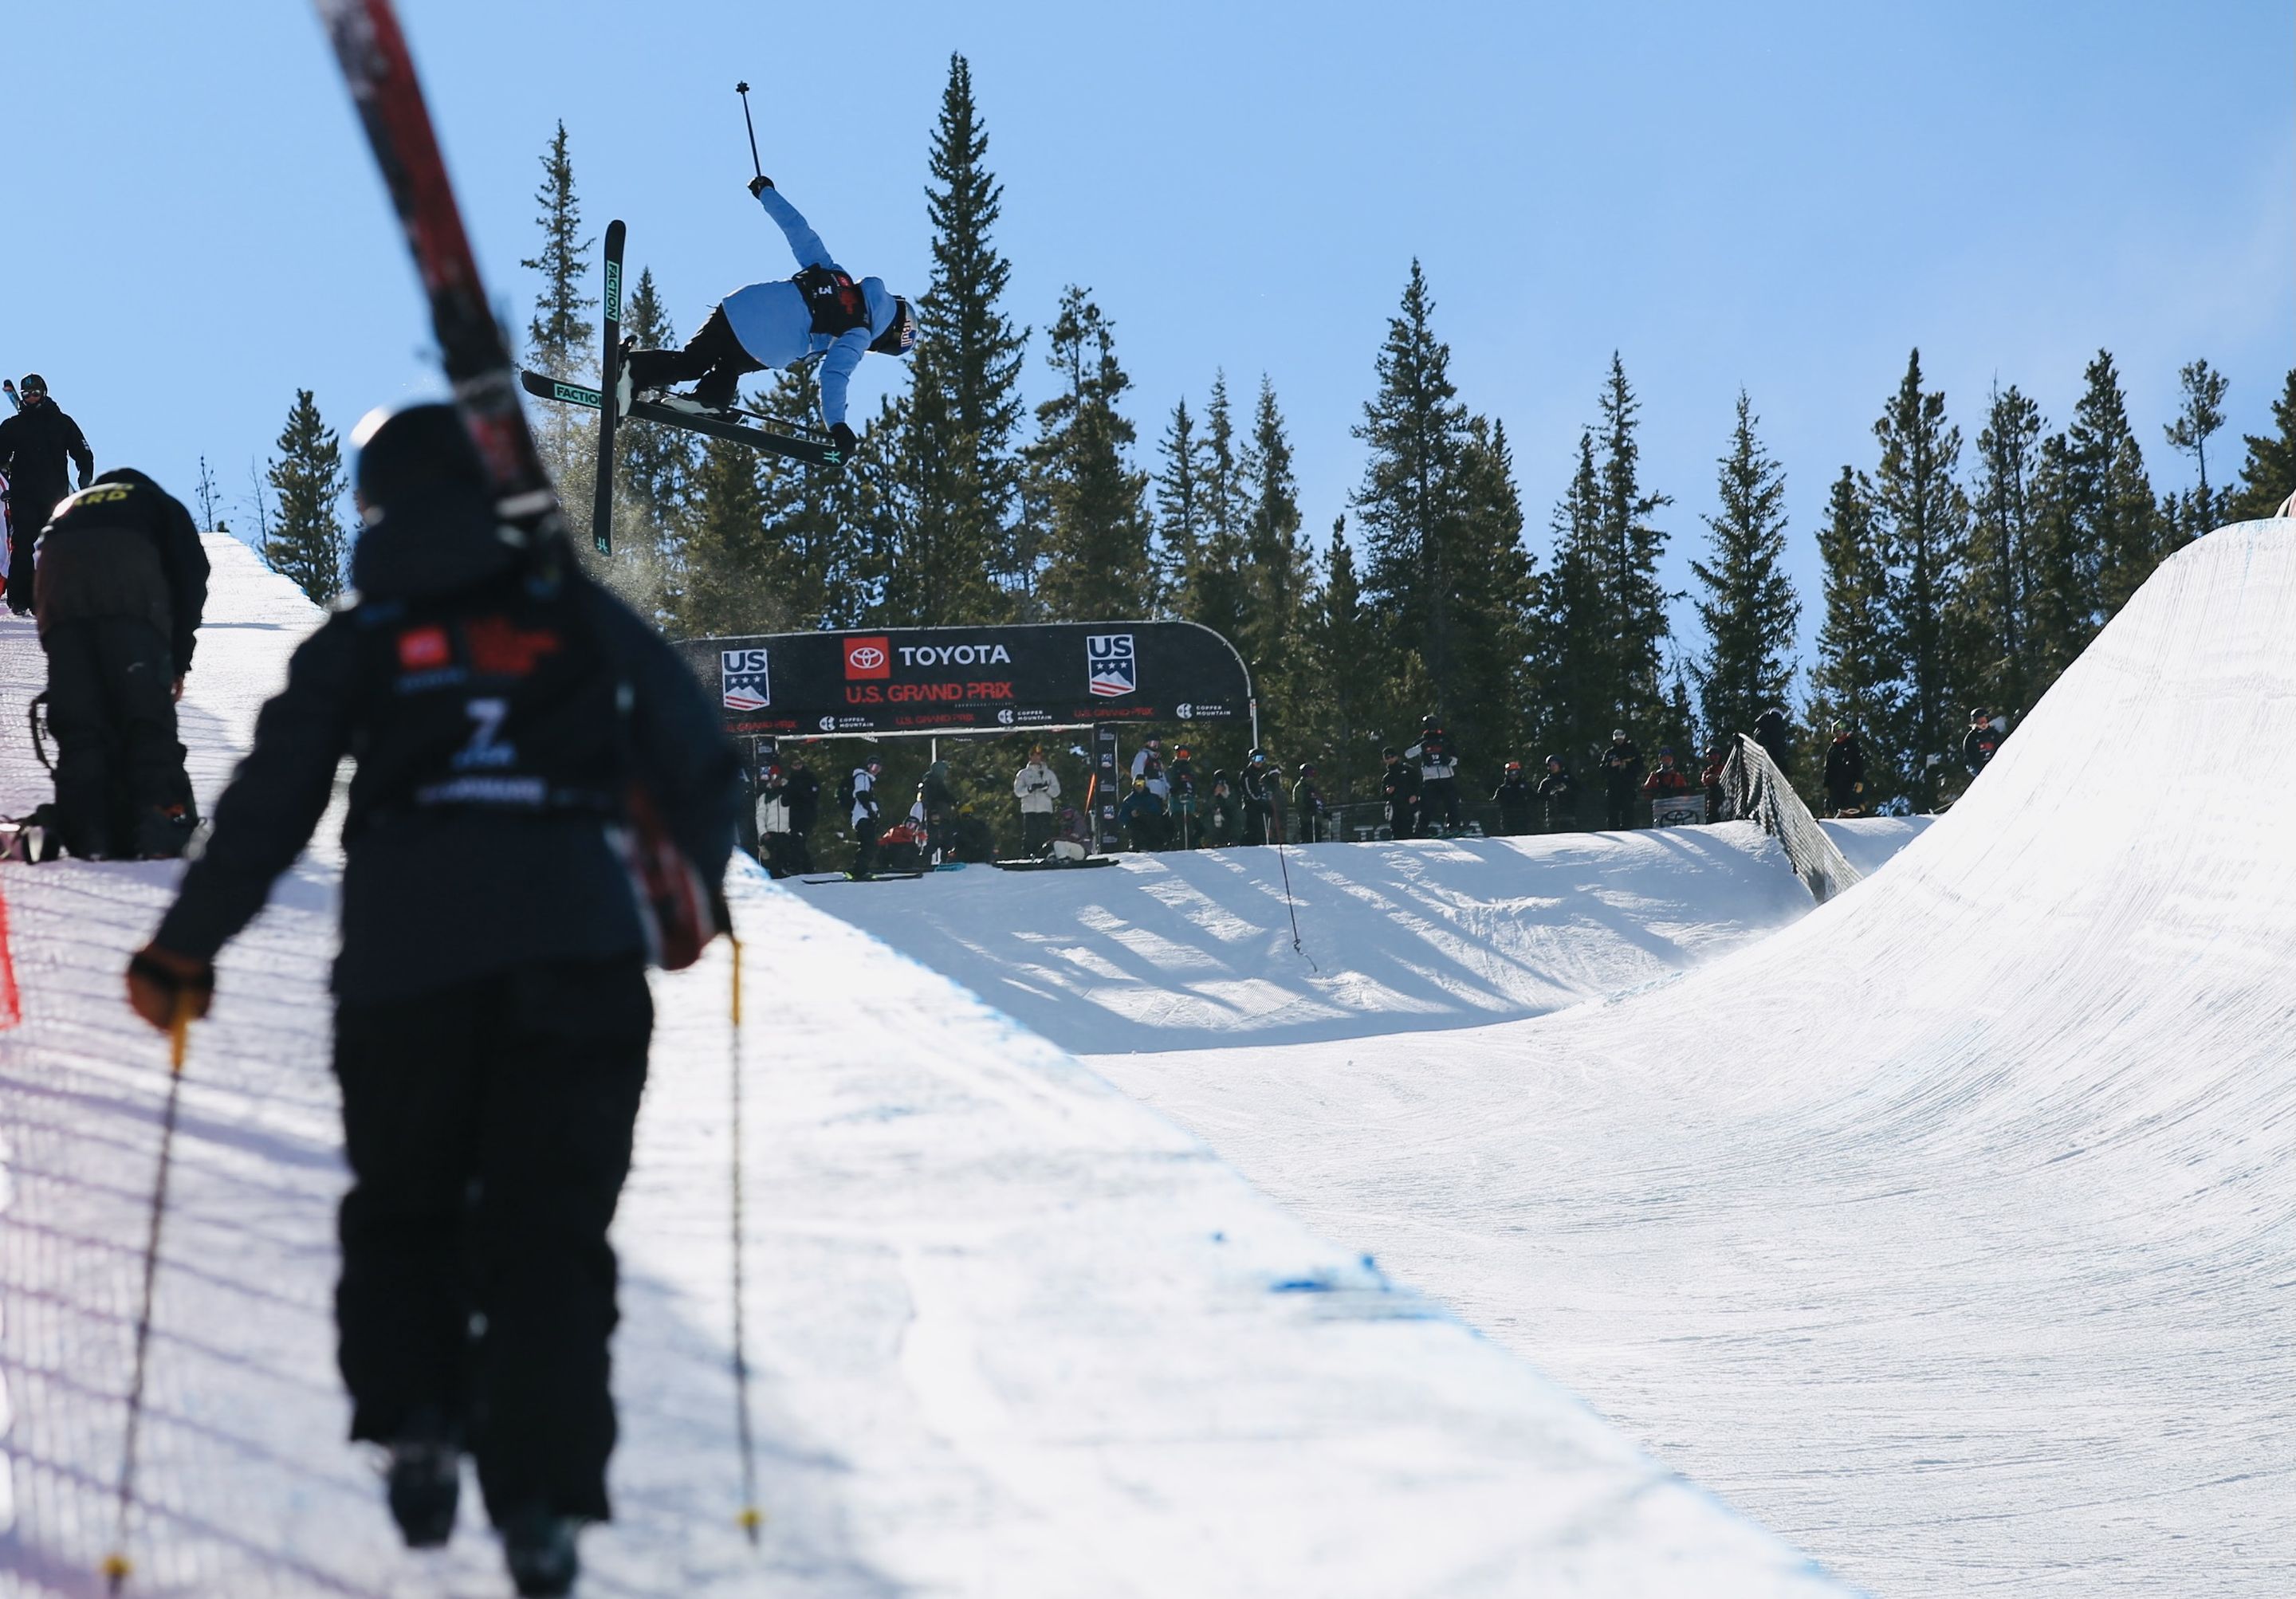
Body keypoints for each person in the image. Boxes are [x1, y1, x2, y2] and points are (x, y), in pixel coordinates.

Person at [119, 403, 737, 1598]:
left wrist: (185, 949)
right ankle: (544, 1505)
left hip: (409, 970)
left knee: (407, 1207)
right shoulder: (579, 615)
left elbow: (275, 793)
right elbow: (699, 747)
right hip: (577, 960)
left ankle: (419, 1425)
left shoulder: (372, 631)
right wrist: (690, 897)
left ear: (379, 506)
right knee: (550, 1231)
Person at [619, 179, 916, 454]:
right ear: (884, 336)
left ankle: (660, 381)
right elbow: (834, 375)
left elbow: (799, 231)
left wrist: (766, 193)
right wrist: (837, 425)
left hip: (740, 307)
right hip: (764, 348)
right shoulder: (858, 332)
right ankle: (676, 389)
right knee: (729, 366)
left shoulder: (838, 277)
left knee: (693, 361)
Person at [34, 468, 209, 858]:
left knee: (81, 723)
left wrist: (62, 650)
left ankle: (87, 830)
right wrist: (177, 661)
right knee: (145, 717)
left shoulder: (71, 507)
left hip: (59, 596)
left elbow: (40, 564)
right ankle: (162, 822)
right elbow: (192, 574)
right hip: (128, 596)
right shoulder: (158, 503)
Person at [0, 375, 96, 614]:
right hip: (23, 495)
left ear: (44, 392)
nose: (31, 398)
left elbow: (83, 453)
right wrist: (5, 474)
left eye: (35, 393)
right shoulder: (13, 426)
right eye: (26, 394)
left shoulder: (62, 423)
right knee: (23, 544)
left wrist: (85, 477)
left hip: (55, 496)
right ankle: (20, 599)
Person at [1405, 714, 1461, 835]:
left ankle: (1454, 827)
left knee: (1452, 804)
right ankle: (1421, 830)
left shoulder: (1445, 739)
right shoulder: (1422, 741)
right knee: (1426, 806)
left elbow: (1456, 759)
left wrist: (1448, 760)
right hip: (1430, 778)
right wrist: (1421, 747)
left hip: (1446, 777)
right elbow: (1408, 754)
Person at [1012, 745, 1061, 856]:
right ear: (1029, 757)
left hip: (1045, 809)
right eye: (1033, 755)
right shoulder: (1023, 774)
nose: (1036, 757)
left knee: (1044, 834)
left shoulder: (1049, 773)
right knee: (1030, 834)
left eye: (1038, 754)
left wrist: (1046, 788)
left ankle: (1045, 855)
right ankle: (1027, 856)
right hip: (1029, 809)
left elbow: (1056, 791)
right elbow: (1018, 791)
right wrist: (1029, 789)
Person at [755, 760, 800, 878]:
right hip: (771, 833)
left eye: (778, 777)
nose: (776, 780)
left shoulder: (787, 792)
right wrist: (763, 832)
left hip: (785, 833)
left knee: (788, 858)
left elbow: (795, 812)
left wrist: (793, 829)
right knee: (771, 860)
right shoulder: (765, 796)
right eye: (773, 777)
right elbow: (760, 816)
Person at [780, 749, 820, 874]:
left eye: (799, 764)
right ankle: (801, 867)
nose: (797, 766)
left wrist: (799, 792)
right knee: (795, 840)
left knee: (799, 839)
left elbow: (814, 794)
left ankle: (804, 867)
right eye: (794, 764)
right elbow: (785, 801)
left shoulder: (809, 777)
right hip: (795, 815)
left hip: (807, 814)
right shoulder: (790, 780)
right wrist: (788, 791)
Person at [847, 756, 884, 876]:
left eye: (878, 768)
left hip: (865, 817)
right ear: (867, 766)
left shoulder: (869, 780)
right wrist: (870, 812)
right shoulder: (862, 776)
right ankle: (859, 870)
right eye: (873, 767)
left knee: (870, 844)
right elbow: (861, 794)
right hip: (863, 817)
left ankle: (861, 869)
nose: (875, 770)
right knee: (868, 844)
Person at [918, 756, 957, 864]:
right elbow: (929, 799)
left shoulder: (939, 783)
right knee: (934, 841)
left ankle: (945, 861)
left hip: (944, 815)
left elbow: (945, 796)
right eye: (944, 770)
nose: (945, 773)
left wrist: (953, 801)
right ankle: (923, 863)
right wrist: (934, 812)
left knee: (947, 841)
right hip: (936, 816)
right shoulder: (930, 782)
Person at [1823, 721, 1866, 817]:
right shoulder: (1832, 749)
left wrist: (1859, 780)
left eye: (1840, 731)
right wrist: (1826, 784)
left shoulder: (1851, 744)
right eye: (1836, 732)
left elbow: (1858, 762)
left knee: (1851, 802)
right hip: (1835, 784)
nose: (1838, 733)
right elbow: (1828, 768)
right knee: (1837, 804)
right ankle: (1839, 816)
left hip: (1850, 780)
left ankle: (1852, 817)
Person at [1600, 730, 1642, 828]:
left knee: (1628, 812)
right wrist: (1611, 765)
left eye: (1621, 739)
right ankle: (1613, 831)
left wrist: (1628, 765)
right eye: (1617, 739)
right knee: (1612, 814)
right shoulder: (1609, 753)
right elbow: (1602, 769)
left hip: (1628, 786)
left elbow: (1640, 767)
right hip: (1613, 787)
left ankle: (1628, 832)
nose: (1619, 741)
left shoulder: (1632, 751)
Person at [1116, 774, 1168, 851]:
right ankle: (1137, 845)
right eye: (1137, 783)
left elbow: (1157, 811)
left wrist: (1144, 812)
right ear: (1133, 785)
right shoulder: (1129, 800)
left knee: (1155, 822)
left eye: (1141, 783)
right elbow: (1122, 817)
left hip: (1150, 826)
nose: (1139, 786)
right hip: (1136, 827)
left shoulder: (1152, 798)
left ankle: (1155, 844)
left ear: (1145, 784)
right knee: (1134, 826)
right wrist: (1131, 815)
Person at [1239, 748, 1280, 845]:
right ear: (1251, 759)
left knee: (1261, 832)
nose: (1259, 762)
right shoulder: (1247, 774)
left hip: (1260, 808)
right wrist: (1260, 802)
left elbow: (1265, 789)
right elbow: (1249, 792)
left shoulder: (1261, 774)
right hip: (1251, 808)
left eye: (1262, 759)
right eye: (1256, 759)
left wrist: (1267, 803)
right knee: (1252, 832)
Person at [1379, 747, 1420, 839]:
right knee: (1397, 833)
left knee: (1410, 831)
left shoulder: (1408, 770)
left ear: (1396, 757)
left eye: (1392, 756)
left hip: (1409, 806)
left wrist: (1415, 795)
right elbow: (1383, 796)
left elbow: (1418, 783)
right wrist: (1388, 792)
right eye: (1387, 758)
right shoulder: (1387, 777)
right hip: (1395, 808)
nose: (1390, 759)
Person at [1166, 743, 1199, 848]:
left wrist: (1192, 794)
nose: (1183, 757)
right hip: (1177, 804)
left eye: (1185, 754)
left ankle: (1189, 847)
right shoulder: (1173, 769)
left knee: (1189, 828)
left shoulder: (1190, 770)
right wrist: (1177, 791)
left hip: (1189, 805)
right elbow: (1170, 784)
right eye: (1181, 754)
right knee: (1179, 828)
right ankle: (1178, 848)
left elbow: (1194, 786)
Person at [1641, 747, 1692, 815]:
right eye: (1664, 759)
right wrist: (1652, 802)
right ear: (1660, 761)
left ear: (1672, 761)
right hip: (1659, 810)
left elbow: (1686, 794)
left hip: (1676, 811)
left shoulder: (1678, 777)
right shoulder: (1654, 777)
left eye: (1669, 759)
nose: (1667, 761)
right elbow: (1646, 791)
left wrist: (1680, 803)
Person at [1492, 760, 1535, 836]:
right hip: (1508, 819)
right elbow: (1496, 803)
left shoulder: (1526, 787)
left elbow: (1535, 799)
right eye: (1511, 773)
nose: (1514, 775)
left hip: (1524, 819)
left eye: (1516, 773)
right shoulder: (1503, 789)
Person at [1535, 755, 1578, 833]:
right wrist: (1551, 795)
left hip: (1568, 813)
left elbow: (1578, 791)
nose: (1553, 766)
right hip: (1553, 815)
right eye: (1550, 765)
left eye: (1555, 764)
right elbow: (1540, 797)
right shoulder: (1546, 782)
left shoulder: (1568, 779)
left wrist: (1566, 790)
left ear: (1559, 765)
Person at [1292, 761, 1328, 843]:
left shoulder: (1314, 786)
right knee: (1309, 842)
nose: (1311, 776)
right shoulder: (1300, 787)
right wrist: (1308, 810)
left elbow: (1320, 800)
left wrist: (1324, 812)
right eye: (1309, 773)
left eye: (1313, 773)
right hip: (1307, 821)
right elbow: (1298, 804)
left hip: (1317, 820)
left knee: (1318, 842)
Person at [1753, 707, 1794, 777]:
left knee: (1758, 777)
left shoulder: (1759, 728)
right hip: (1769, 757)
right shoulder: (1777, 725)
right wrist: (1783, 764)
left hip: (1757, 756)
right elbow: (1777, 743)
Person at [1963, 708, 2003, 776]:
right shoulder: (1971, 738)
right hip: (1978, 766)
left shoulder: (1994, 733)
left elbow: (2000, 747)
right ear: (1975, 723)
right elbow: (1971, 756)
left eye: (1984, 721)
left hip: (1994, 762)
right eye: (1980, 722)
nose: (1983, 724)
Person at [1205, 770, 1239, 847]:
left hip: (1227, 813)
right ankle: (1215, 841)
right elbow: (1208, 805)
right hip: (1213, 814)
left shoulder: (1230, 790)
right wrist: (1215, 794)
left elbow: (1234, 804)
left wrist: (1226, 795)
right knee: (1212, 819)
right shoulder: (1210, 790)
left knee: (1238, 816)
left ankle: (1233, 839)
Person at [1130, 734, 1170, 800]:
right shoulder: (1143, 755)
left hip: (1159, 795)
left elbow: (1162, 776)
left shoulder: (1158, 760)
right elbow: (1137, 772)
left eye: (1157, 744)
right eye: (1153, 743)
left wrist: (1169, 789)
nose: (1155, 746)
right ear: (1147, 743)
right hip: (1148, 794)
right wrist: (1140, 789)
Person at [1699, 742, 1730, 824]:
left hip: (1728, 801)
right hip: (1713, 805)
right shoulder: (1708, 772)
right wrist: (1717, 777)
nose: (1714, 758)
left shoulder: (1726, 769)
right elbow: (1706, 780)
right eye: (1711, 756)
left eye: (1716, 755)